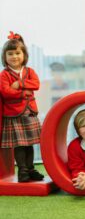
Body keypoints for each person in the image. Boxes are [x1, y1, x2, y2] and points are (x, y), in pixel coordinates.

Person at [0, 31, 44, 182]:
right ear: (4, 57)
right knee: (19, 145)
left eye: (17, 53)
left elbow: (36, 84)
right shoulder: (4, 75)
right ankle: (22, 171)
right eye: (10, 53)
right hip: (13, 115)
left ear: (24, 55)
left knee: (30, 143)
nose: (14, 56)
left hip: (29, 113)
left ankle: (31, 169)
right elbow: (6, 92)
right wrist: (23, 93)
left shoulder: (29, 71)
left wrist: (19, 84)